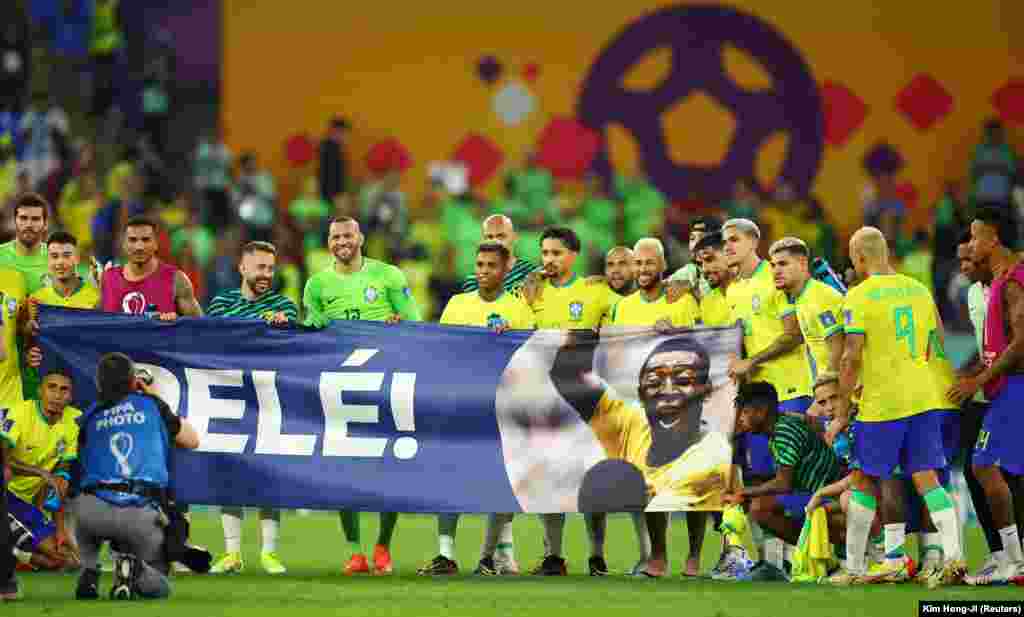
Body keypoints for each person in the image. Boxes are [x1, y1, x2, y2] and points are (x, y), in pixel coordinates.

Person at [829, 226, 964, 587]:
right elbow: (937, 341)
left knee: (862, 480)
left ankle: (855, 567)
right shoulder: (919, 290)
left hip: (882, 402)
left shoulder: (858, 296)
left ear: (859, 258)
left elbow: (850, 358)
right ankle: (953, 558)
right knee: (926, 478)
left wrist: (842, 412)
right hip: (925, 398)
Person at [302, 216, 421, 576]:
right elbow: (311, 326)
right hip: (342, 389)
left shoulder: (388, 276)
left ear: (361, 238)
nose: (342, 241)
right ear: (328, 241)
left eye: (348, 235)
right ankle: (355, 551)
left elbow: (415, 322)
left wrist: (398, 326)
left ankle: (383, 545)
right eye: (336, 236)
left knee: (389, 471)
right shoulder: (317, 284)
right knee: (344, 471)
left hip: (385, 384)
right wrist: (313, 323)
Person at [418, 242, 535, 577]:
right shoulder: (457, 304)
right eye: (479, 264)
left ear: (505, 270)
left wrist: (507, 337)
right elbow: (441, 350)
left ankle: (487, 556)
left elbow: (527, 361)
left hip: (501, 407)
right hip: (460, 404)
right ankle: (445, 554)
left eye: (491, 266)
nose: (483, 271)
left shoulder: (518, 310)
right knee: (448, 477)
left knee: (501, 481)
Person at [522, 226, 617, 576]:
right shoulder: (530, 293)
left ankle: (597, 555)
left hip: (587, 401)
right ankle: (554, 556)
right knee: (551, 479)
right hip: (545, 401)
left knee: (592, 480)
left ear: (572, 256)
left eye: (556, 253)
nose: (549, 260)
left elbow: (633, 323)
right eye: (544, 253)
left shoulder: (596, 293)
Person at [607, 237, 703, 578]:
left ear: (663, 266)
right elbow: (615, 356)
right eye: (639, 263)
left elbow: (704, 345)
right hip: (641, 407)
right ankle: (658, 557)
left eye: (650, 263)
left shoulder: (682, 300)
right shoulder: (624, 307)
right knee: (648, 484)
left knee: (691, 480)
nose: (644, 269)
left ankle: (694, 557)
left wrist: (676, 332)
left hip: (683, 405)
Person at [722, 219, 813, 570]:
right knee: (762, 478)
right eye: (725, 241)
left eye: (734, 240)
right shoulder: (733, 289)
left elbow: (794, 334)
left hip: (790, 391)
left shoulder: (773, 278)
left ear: (753, 242)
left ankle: (812, 557)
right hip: (758, 401)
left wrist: (752, 361)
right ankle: (775, 562)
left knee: (795, 479)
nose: (728, 246)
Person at [73, 352, 200, 600]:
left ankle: (88, 569)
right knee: (160, 585)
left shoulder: (88, 417)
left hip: (90, 511)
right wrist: (153, 395)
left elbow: (80, 464)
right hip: (139, 512)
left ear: (99, 384)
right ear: (134, 382)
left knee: (84, 506)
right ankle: (134, 569)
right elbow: (192, 440)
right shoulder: (152, 405)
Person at [207, 241, 298, 576]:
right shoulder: (220, 303)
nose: (266, 274)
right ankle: (232, 553)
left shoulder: (284, 306)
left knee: (267, 474)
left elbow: (293, 342)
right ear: (242, 268)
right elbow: (209, 340)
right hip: (228, 397)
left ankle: (269, 553)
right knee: (229, 474)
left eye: (271, 268)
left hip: (268, 401)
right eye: (260, 267)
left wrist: (282, 326)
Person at [949, 206, 1024, 583]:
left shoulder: (1012, 279)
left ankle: (1014, 560)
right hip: (1003, 388)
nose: (972, 244)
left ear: (993, 238)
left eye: (976, 236)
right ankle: (1012, 560)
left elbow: (1021, 343)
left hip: (1016, 387)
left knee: (982, 464)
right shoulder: (995, 281)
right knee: (995, 469)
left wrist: (978, 382)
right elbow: (993, 347)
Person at [725, 381, 843, 576]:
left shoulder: (783, 433)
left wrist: (742, 492)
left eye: (745, 413)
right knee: (760, 503)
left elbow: (783, 483)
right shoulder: (781, 426)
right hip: (816, 494)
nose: (741, 419)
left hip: (829, 498)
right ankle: (791, 558)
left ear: (761, 412)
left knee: (761, 508)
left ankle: (819, 556)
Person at [1, 369, 82, 571]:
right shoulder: (18, 413)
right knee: (57, 557)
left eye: (64, 390)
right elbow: (3, 460)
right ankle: (9, 551)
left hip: (27, 503)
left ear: (70, 396)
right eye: (51, 387)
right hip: (5, 496)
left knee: (67, 561)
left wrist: (61, 529)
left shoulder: (74, 421)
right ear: (40, 391)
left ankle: (16, 552)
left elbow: (61, 480)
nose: (57, 395)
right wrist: (40, 472)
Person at [23, 231, 101, 383]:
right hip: (51, 386)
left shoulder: (97, 297)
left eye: (66, 256)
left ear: (77, 258)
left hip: (88, 379)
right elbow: (28, 344)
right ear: (48, 260)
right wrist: (29, 354)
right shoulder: (36, 300)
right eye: (54, 256)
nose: (60, 262)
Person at [768, 237, 845, 383]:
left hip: (842, 388)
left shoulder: (819, 296)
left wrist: (827, 385)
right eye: (773, 265)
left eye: (783, 264)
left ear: (803, 264)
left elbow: (838, 346)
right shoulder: (801, 298)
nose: (776, 271)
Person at [99, 217, 203, 319]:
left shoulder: (176, 279)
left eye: (146, 240)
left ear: (156, 244)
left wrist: (176, 321)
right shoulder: (108, 278)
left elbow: (199, 328)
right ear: (124, 245)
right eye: (132, 240)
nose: (139, 247)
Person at [460, 214, 539, 296]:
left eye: (501, 236)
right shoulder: (473, 282)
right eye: (489, 237)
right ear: (482, 241)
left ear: (514, 237)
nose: (495, 242)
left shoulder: (531, 273)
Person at [669, 216, 721, 297]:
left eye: (702, 238)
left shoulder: (733, 274)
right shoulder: (684, 275)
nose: (695, 245)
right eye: (692, 238)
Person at [693, 232, 735, 327]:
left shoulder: (763, 282)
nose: (704, 269)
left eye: (709, 260)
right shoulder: (707, 303)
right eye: (700, 264)